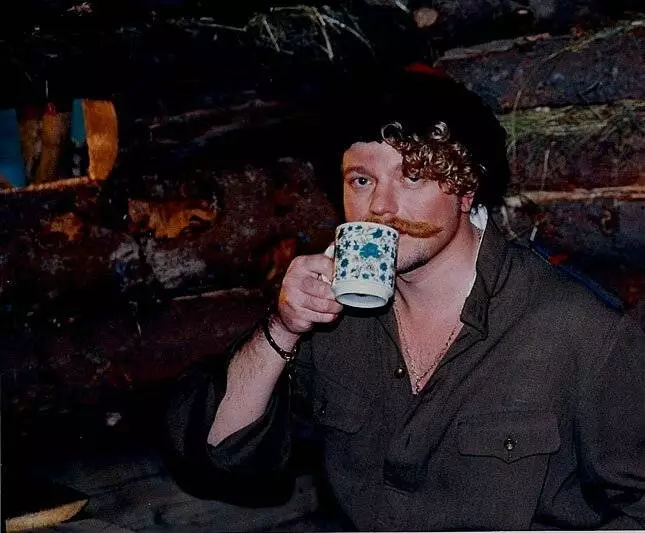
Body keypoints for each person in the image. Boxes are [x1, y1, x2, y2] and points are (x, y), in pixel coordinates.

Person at [165, 67, 645, 530]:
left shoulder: (580, 329)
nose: (380, 206)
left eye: (412, 176)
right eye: (361, 180)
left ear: (465, 190)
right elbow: (218, 451)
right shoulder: (334, 317)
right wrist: (283, 326)